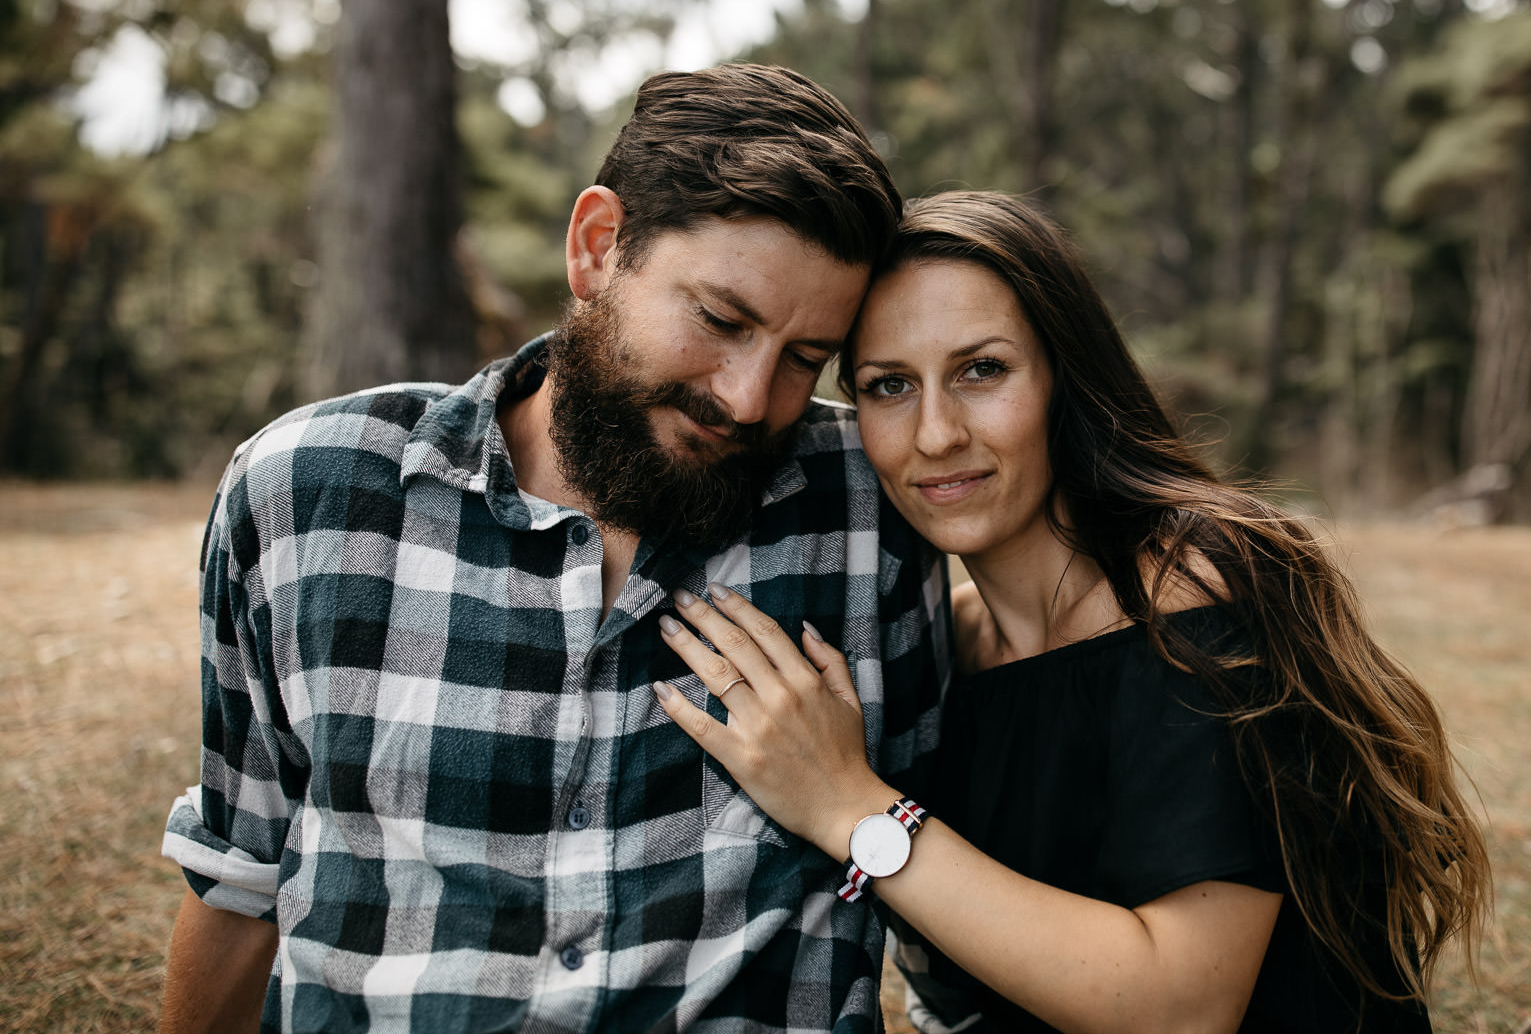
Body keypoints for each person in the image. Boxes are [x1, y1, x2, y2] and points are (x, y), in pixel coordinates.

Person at [158, 64, 949, 1034]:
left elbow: (942, 913)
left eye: (801, 357)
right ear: (596, 246)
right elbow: (241, 878)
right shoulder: (306, 493)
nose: (749, 398)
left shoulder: (871, 508)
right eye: (720, 319)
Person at [651, 192, 1492, 1033]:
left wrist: (847, 806)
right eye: (889, 386)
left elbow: (1183, 1008)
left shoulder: (1190, 594)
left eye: (982, 370)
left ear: (1066, 376)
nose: (936, 433)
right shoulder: (954, 645)